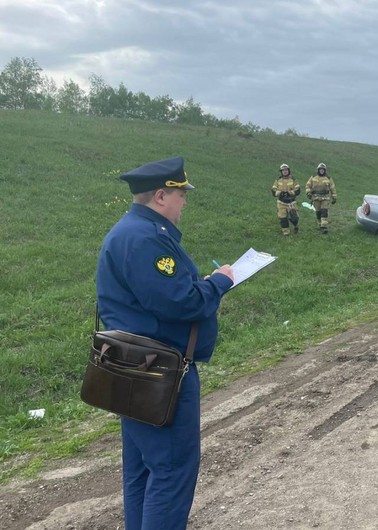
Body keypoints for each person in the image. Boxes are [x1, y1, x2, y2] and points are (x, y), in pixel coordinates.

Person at [95, 156, 235, 530]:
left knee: (142, 470)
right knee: (171, 472)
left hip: (132, 369)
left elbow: (162, 295)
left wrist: (198, 286)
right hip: (159, 375)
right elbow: (180, 303)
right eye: (180, 194)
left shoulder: (130, 231)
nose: (184, 201)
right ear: (161, 196)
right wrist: (220, 282)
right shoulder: (146, 239)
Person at [305, 162, 337, 234]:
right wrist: (308, 193)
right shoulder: (313, 177)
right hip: (316, 198)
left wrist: (334, 197)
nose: (322, 171)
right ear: (318, 170)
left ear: (325, 170)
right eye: (320, 169)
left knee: (324, 211)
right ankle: (320, 224)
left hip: (325, 198)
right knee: (318, 212)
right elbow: (308, 186)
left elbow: (332, 188)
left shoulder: (328, 178)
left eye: (323, 169)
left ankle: (324, 226)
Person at [271, 163, 301, 235]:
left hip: (291, 202)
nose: (285, 171)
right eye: (283, 170)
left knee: (294, 217)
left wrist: (290, 193)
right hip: (281, 202)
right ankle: (286, 233)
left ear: (288, 171)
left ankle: (296, 226)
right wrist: (279, 193)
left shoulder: (293, 180)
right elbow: (273, 189)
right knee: (282, 218)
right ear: (281, 172)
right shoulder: (278, 180)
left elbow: (298, 190)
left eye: (286, 170)